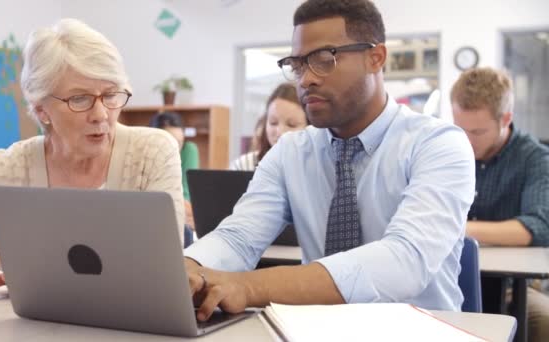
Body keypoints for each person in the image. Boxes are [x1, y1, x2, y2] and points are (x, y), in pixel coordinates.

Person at [184, 0, 475, 322]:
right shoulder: (291, 151)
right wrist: (191, 268)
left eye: (324, 60)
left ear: (375, 58)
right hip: (318, 328)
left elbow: (406, 260)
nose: (305, 80)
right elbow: (239, 237)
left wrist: (249, 287)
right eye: (297, 65)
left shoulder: (438, 143)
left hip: (420, 329)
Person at [0, 18, 184, 286]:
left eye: (111, 94)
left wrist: (41, 262)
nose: (101, 114)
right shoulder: (5, 170)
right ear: (42, 109)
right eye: (80, 99)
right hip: (32, 328)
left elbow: (164, 267)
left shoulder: (152, 153)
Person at [451, 67, 549, 341]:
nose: (466, 141)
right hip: (449, 277)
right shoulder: (446, 150)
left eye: (478, 131)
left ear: (506, 119)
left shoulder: (534, 159)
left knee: (544, 322)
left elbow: (538, 227)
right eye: (460, 129)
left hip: (514, 286)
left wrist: (460, 228)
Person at [231, 83, 308, 170]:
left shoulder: (317, 167)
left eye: (291, 125)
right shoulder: (243, 166)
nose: (280, 132)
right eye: (273, 123)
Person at [149, 112, 199, 244]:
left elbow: (186, 193)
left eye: (179, 143)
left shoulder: (188, 150)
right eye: (169, 143)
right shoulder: (146, 156)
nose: (175, 149)